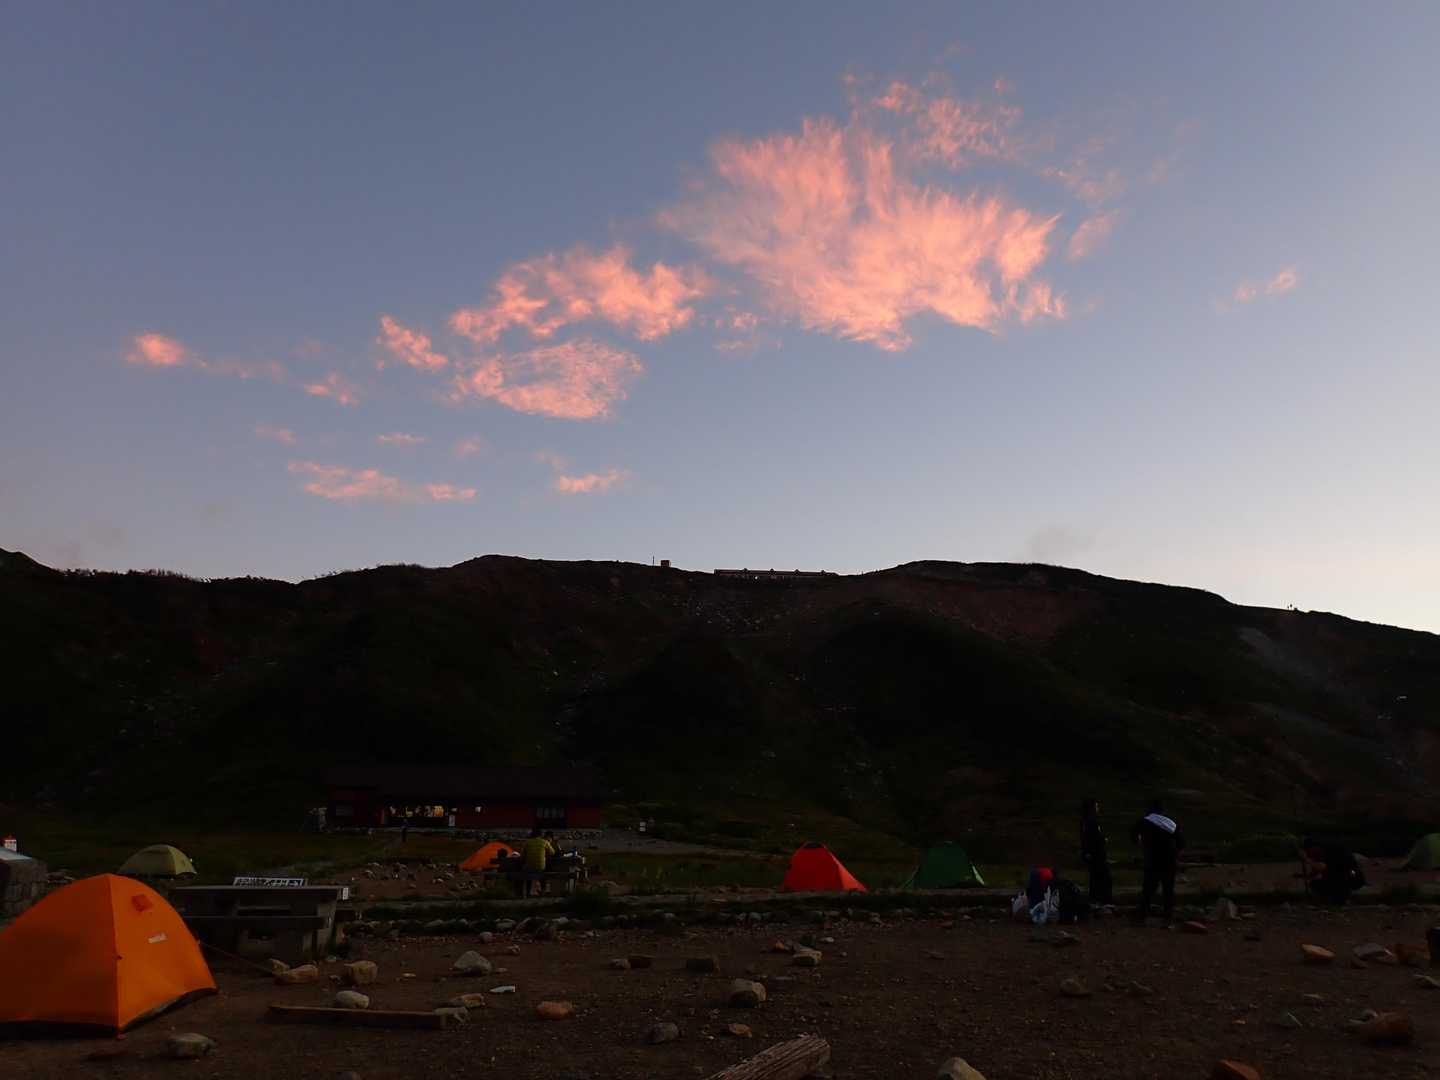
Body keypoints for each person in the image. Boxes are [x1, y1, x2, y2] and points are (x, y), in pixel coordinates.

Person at [1132, 799, 1184, 923]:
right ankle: (1167, 919)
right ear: (1163, 811)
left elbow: (1133, 834)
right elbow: (1181, 843)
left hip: (1153, 861)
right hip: (1169, 861)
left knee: (1148, 890)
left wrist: (1141, 844)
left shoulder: (1144, 822)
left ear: (1150, 809)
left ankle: (1141, 917)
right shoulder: (1171, 824)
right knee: (1168, 891)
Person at [1302, 837, 1365, 903]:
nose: (1309, 854)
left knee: (1325, 883)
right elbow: (1319, 870)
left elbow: (1322, 867)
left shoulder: (1332, 852)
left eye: (1308, 851)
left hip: (1349, 878)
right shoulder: (1321, 854)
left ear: (1315, 847)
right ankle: (1336, 897)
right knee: (1315, 884)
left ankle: (1340, 897)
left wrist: (1307, 860)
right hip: (1342, 877)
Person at [1081, 798, 1113, 906]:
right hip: (1097, 854)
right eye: (1096, 806)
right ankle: (1105, 901)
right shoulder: (1092, 821)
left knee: (1095, 878)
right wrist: (1103, 839)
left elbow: (1085, 838)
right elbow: (1094, 837)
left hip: (1092, 854)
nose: (1098, 808)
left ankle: (1094, 900)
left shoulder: (1085, 821)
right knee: (1105, 878)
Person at [520, 827, 553, 897]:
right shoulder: (544, 842)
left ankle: (528, 892)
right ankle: (543, 891)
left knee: (527, 873)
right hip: (540, 867)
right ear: (541, 835)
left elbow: (522, 855)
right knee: (543, 872)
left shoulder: (527, 842)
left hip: (529, 867)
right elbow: (552, 852)